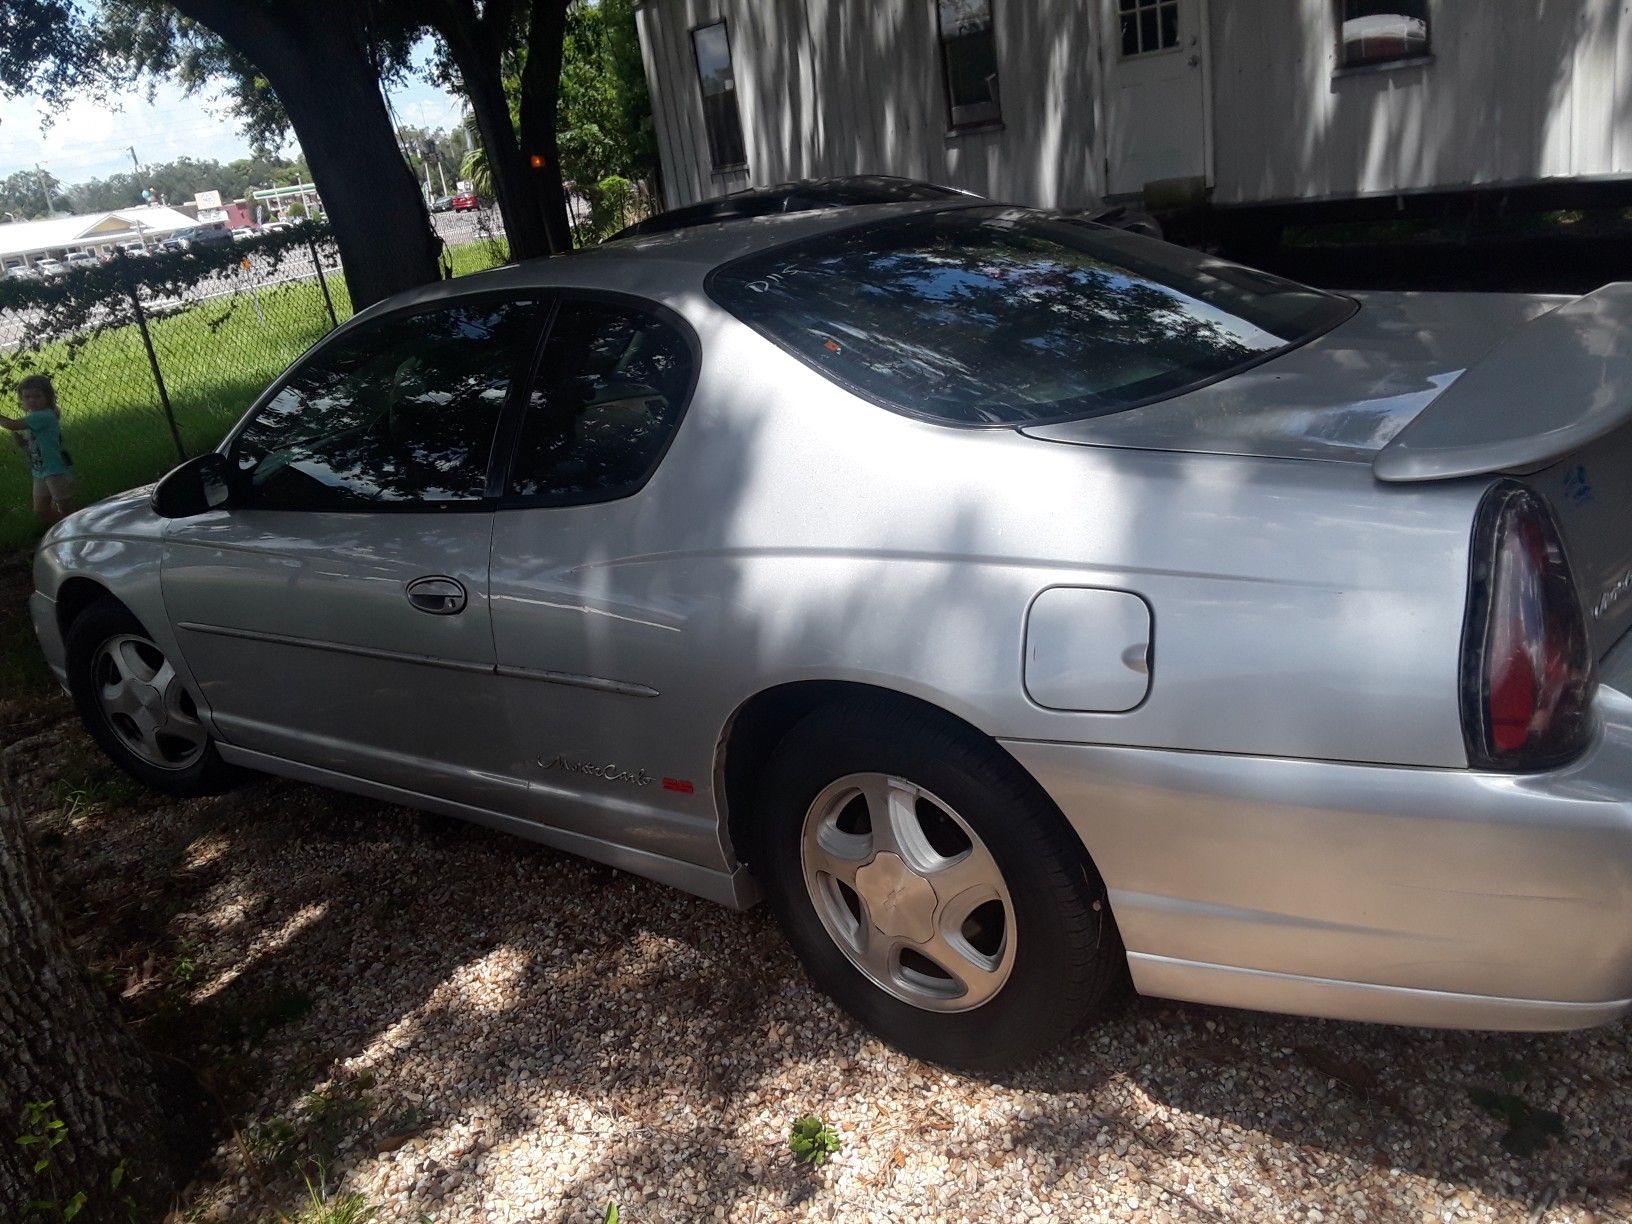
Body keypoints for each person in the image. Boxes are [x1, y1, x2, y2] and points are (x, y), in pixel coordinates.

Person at [1, 374, 75, 525]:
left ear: (48, 398)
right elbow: (39, 443)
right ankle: (65, 528)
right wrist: (23, 443)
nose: (32, 400)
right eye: (27, 397)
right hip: (40, 471)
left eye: (37, 396)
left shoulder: (43, 416)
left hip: (55, 470)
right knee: (41, 509)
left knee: (66, 509)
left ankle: (74, 528)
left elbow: (13, 425)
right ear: (21, 399)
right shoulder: (35, 417)